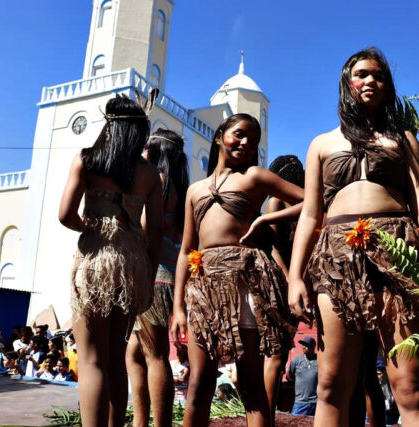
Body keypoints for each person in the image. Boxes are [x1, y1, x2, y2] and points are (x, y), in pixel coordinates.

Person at [288, 47, 419, 427]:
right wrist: (295, 276)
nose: (371, 81)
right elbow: (311, 214)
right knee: (332, 383)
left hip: (398, 250)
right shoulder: (321, 144)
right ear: (347, 83)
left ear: (388, 86)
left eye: (379, 76)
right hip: (337, 257)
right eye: (362, 74)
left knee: (409, 383)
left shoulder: (404, 140)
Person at [171, 113, 304, 427]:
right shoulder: (195, 190)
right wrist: (177, 308)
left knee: (251, 382)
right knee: (199, 382)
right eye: (239, 134)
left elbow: (311, 201)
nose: (246, 143)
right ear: (219, 136)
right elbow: (187, 250)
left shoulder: (254, 177)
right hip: (204, 286)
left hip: (244, 282)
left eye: (253, 141)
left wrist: (264, 219)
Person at [59, 94, 163, 427]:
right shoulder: (151, 174)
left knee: (92, 360)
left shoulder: (87, 160)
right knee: (116, 358)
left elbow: (65, 214)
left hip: (96, 261)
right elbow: (156, 232)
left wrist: (90, 226)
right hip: (133, 265)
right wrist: (148, 279)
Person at [126, 128, 188, 427]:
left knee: (155, 355)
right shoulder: (180, 186)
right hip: (165, 275)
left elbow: (143, 227)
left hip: (154, 276)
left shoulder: (159, 181)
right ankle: (140, 422)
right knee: (135, 354)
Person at [263, 154, 305, 420]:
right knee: (276, 355)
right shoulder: (275, 203)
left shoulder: (300, 202)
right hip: (280, 284)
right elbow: (273, 248)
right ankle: (265, 419)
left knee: (281, 354)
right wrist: (290, 280)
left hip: (296, 282)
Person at [286, 337, 318, 416]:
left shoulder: (319, 360)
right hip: (300, 402)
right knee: (294, 421)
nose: (303, 347)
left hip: (316, 402)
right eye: (303, 345)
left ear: (313, 347)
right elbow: (289, 376)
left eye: (306, 345)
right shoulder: (296, 360)